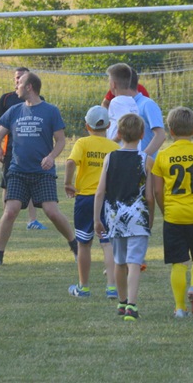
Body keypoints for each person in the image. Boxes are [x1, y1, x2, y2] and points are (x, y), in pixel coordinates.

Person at [0, 72, 77, 267]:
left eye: (20, 83)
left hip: (43, 172)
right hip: (18, 171)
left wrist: (51, 157)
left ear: (29, 87)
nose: (16, 86)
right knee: (10, 211)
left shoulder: (51, 111)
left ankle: (75, 245)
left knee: (51, 212)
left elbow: (60, 140)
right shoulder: (15, 110)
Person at [152, 107, 193, 318]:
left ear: (170, 130)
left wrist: (164, 209)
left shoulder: (163, 155)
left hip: (173, 215)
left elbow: (157, 190)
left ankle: (179, 308)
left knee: (178, 262)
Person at [94, 113, 154, 322]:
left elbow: (100, 192)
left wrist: (97, 219)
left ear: (118, 134)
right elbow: (149, 196)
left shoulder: (110, 158)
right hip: (138, 218)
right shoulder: (146, 160)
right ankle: (132, 306)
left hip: (114, 218)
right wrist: (151, 218)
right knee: (135, 263)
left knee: (119, 262)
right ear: (142, 134)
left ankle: (121, 302)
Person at [64, 106, 120, 299]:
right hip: (108, 199)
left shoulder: (82, 143)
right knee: (108, 243)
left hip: (86, 199)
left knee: (84, 244)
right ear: (109, 125)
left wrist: (67, 183)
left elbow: (71, 162)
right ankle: (112, 287)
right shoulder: (114, 147)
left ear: (87, 125)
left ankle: (84, 288)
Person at [0, 67, 47, 230]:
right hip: (10, 150)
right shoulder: (7, 99)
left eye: (21, 77)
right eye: (16, 77)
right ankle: (7, 218)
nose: (18, 80)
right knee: (7, 184)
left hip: (31, 153)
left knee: (30, 183)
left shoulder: (40, 100)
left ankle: (32, 220)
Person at [106, 63, 165, 158]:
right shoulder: (122, 104)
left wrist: (142, 157)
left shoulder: (147, 104)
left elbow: (160, 135)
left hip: (141, 167)